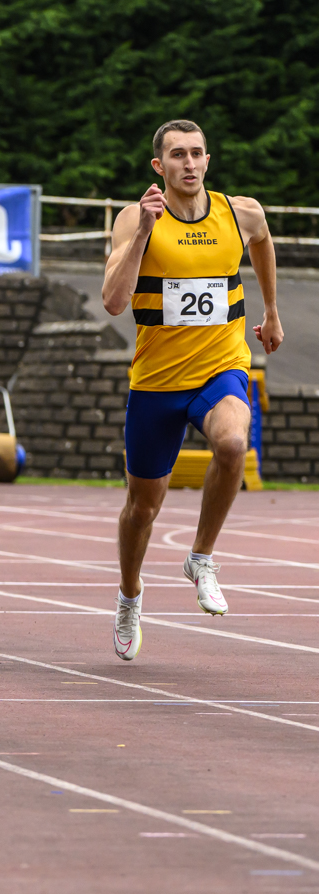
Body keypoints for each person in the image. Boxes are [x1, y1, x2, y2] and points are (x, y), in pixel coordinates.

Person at [101, 118, 284, 661]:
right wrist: (143, 232)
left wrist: (272, 310)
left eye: (197, 153)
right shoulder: (135, 217)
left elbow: (263, 241)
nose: (189, 163)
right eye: (177, 154)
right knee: (142, 507)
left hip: (220, 367)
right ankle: (130, 595)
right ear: (158, 166)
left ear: (208, 160)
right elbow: (113, 301)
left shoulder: (239, 212)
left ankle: (201, 557)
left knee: (232, 443)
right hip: (157, 382)